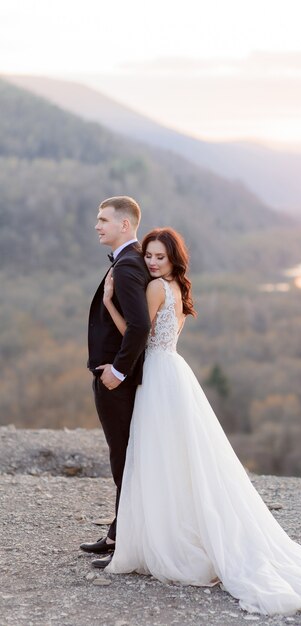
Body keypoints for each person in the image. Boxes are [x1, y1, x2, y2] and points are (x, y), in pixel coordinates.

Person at [101, 227, 301, 616]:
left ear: (172, 260)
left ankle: (171, 543)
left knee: (160, 457)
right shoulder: (179, 291)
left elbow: (137, 337)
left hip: (159, 376)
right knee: (181, 458)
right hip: (174, 374)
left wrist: (111, 304)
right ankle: (180, 533)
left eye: (159, 257)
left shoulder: (155, 290)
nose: (151, 262)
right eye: (148, 256)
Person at [80, 196, 151, 564]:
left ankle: (127, 543)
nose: (97, 225)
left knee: (123, 458)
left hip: (117, 380)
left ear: (125, 225)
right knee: (124, 456)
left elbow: (140, 325)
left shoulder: (126, 266)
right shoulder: (130, 260)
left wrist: (118, 371)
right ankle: (118, 532)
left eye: (104, 219)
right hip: (117, 376)